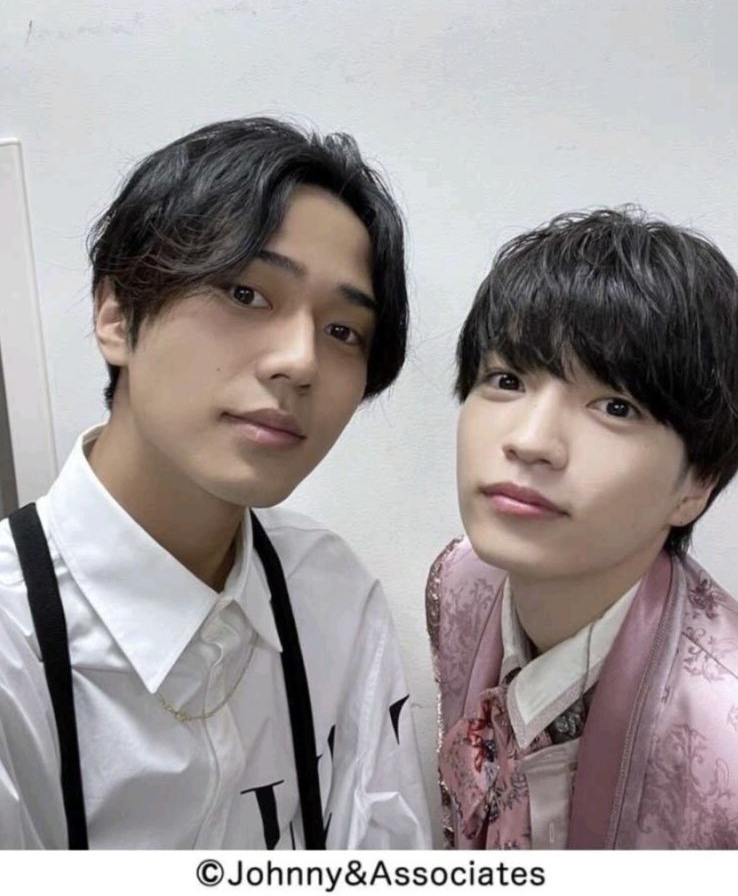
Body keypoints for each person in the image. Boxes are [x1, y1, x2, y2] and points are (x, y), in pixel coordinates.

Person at [0, 117, 430, 850]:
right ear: (116, 314)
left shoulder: (330, 593)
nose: (300, 362)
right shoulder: (17, 644)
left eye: (342, 331)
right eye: (246, 293)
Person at [427, 207, 738, 850]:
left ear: (696, 484)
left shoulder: (723, 725)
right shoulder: (457, 583)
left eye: (615, 406)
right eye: (506, 379)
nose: (531, 441)